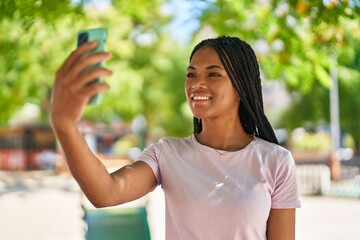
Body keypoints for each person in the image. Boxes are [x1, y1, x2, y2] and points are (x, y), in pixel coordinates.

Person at [51, 36, 301, 240]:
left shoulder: (276, 161)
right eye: (191, 74)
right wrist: (65, 125)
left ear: (241, 85)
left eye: (213, 74)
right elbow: (106, 192)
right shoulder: (167, 154)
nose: (197, 84)